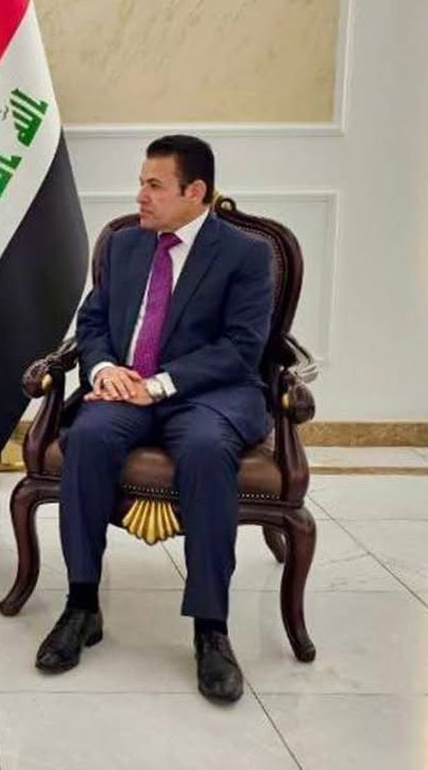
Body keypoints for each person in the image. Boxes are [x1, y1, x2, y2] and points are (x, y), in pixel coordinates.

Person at [35, 134, 273, 703]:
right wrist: (104, 371)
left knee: (206, 450)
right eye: (141, 183)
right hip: (127, 388)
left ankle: (211, 630)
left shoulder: (245, 254)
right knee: (87, 437)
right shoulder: (125, 245)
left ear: (196, 191)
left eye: (154, 185)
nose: (140, 196)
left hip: (205, 395)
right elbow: (92, 324)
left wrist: (159, 385)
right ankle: (81, 606)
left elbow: (242, 348)